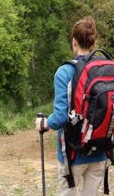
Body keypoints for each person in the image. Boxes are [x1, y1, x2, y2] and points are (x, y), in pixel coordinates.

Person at [35, 16, 107, 196]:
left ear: (74, 42)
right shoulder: (106, 68)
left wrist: (44, 123)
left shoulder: (65, 72)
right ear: (94, 42)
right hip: (101, 150)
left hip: (73, 152)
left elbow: (60, 117)